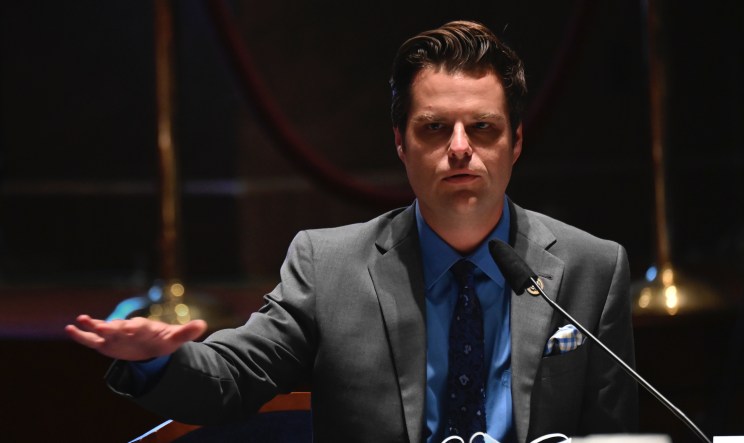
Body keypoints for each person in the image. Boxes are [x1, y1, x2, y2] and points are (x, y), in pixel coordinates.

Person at [66, 20, 637, 443]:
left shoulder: (593, 267)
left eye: (482, 128)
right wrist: (156, 361)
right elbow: (235, 377)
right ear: (400, 143)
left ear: (515, 143)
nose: (460, 147)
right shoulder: (328, 265)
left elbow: (614, 436)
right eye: (434, 128)